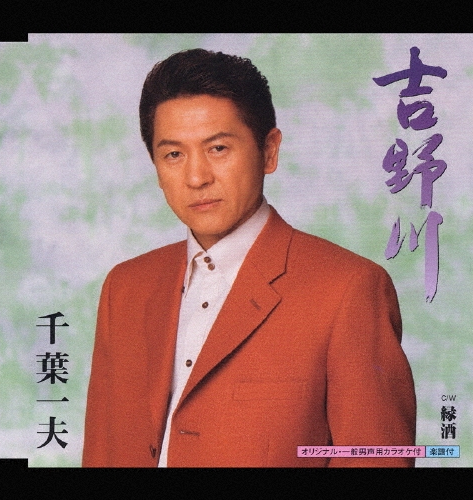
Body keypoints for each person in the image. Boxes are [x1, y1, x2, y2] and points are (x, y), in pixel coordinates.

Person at [82, 48, 416, 467]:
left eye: (218, 148)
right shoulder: (126, 287)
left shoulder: (348, 289)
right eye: (174, 154)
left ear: (269, 151)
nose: (196, 177)